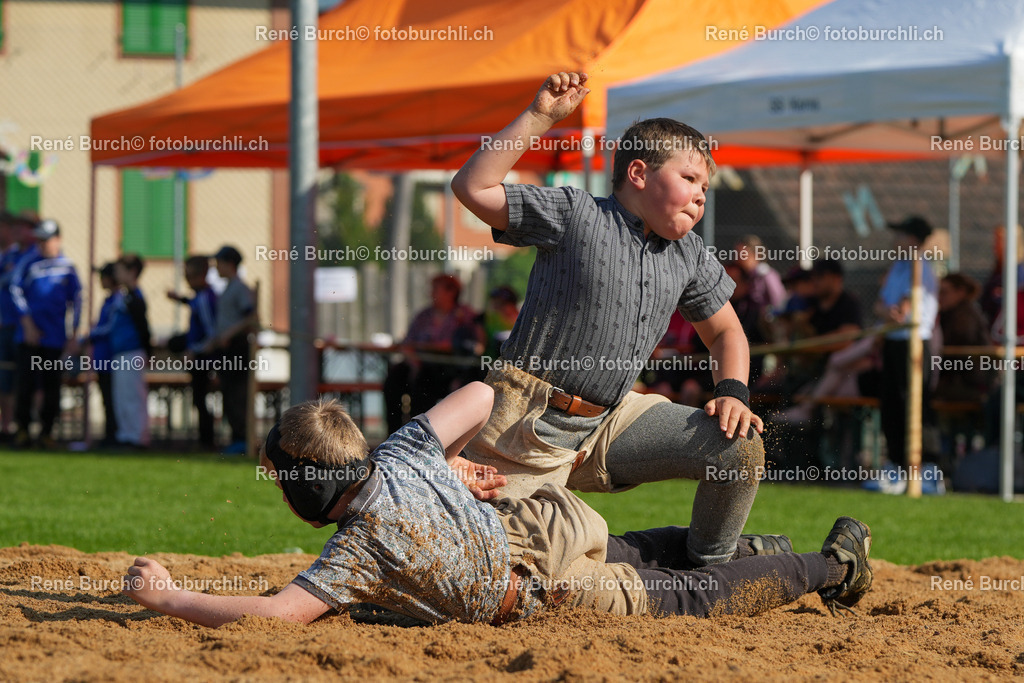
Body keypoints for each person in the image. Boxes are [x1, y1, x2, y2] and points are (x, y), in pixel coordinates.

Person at [122, 384, 874, 626]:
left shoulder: (353, 552)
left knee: (687, 598)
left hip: (546, 589)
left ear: (305, 492)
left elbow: (276, 614)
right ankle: (752, 546)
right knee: (642, 546)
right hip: (546, 521)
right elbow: (484, 393)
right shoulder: (407, 449)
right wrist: (447, 463)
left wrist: (167, 595)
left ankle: (832, 567)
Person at [450, 71, 764, 568]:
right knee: (496, 563)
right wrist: (540, 116)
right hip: (523, 432)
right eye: (690, 179)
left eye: (706, 185)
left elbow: (727, 332)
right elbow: (472, 186)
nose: (702, 194)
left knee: (736, 451)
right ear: (638, 174)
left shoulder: (689, 253)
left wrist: (732, 392)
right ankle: (666, 551)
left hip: (611, 421)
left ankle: (711, 568)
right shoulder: (575, 213)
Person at [874, 216, 939, 467]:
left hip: (914, 344)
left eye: (899, 235)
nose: (894, 241)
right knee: (891, 404)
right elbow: (881, 306)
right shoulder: (897, 267)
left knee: (915, 404)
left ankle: (927, 466)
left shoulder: (920, 268)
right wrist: (889, 312)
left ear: (912, 240)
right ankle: (896, 463)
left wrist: (893, 312)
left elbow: (902, 313)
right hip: (894, 342)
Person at [10, 219, 81, 449]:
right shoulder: (29, 262)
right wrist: (27, 323)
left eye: (46, 240)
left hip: (54, 339)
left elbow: (78, 300)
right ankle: (22, 431)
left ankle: (46, 433)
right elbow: (14, 289)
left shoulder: (68, 267)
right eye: (40, 240)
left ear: (58, 240)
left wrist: (73, 335)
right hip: (30, 339)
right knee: (25, 385)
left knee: (52, 387)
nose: (42, 244)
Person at [383, 273, 477, 433]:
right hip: (419, 363)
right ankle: (394, 433)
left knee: (424, 385)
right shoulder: (424, 315)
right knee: (393, 379)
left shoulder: (464, 315)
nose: (431, 293)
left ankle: (420, 434)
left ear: (451, 292)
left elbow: (461, 346)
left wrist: (424, 348)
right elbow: (407, 343)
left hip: (450, 369)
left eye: (435, 289)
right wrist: (414, 363)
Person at [205, 246, 256, 455]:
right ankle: (236, 438)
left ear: (229, 264)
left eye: (218, 263)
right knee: (227, 393)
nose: (216, 267)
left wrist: (229, 334)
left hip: (237, 349)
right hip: (226, 350)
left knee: (237, 394)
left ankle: (242, 439)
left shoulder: (239, 288)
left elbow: (250, 318)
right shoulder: (227, 288)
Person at [168, 255, 218, 450]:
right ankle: (205, 439)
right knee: (199, 398)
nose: (186, 280)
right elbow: (194, 304)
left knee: (200, 398)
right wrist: (180, 299)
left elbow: (211, 331)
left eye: (188, 275)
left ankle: (207, 441)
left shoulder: (205, 297)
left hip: (204, 358)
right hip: (200, 355)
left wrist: (193, 351)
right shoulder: (200, 295)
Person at [106, 254, 152, 449]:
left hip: (132, 352)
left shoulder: (135, 298)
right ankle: (126, 434)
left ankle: (138, 437)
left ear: (132, 272)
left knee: (133, 395)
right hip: (120, 352)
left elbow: (143, 327)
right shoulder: (125, 297)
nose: (116, 275)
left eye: (120, 270)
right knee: (121, 396)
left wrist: (147, 350)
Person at [0, 212, 35, 440]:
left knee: (28, 378)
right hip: (5, 327)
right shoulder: (8, 256)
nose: (15, 232)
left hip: (26, 329)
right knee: (5, 378)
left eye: (21, 228)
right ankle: (7, 427)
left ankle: (28, 428)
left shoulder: (36, 256)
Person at [87, 262, 119, 446]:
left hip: (110, 359)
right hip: (102, 360)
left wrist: (90, 335)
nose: (100, 281)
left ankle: (113, 434)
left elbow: (109, 328)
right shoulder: (108, 300)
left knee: (112, 398)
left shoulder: (116, 300)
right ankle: (109, 434)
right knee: (106, 397)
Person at [734, 234, 787, 312]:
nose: (737, 258)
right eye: (736, 254)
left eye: (742, 254)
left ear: (756, 254)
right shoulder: (742, 275)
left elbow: (779, 302)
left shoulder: (767, 275)